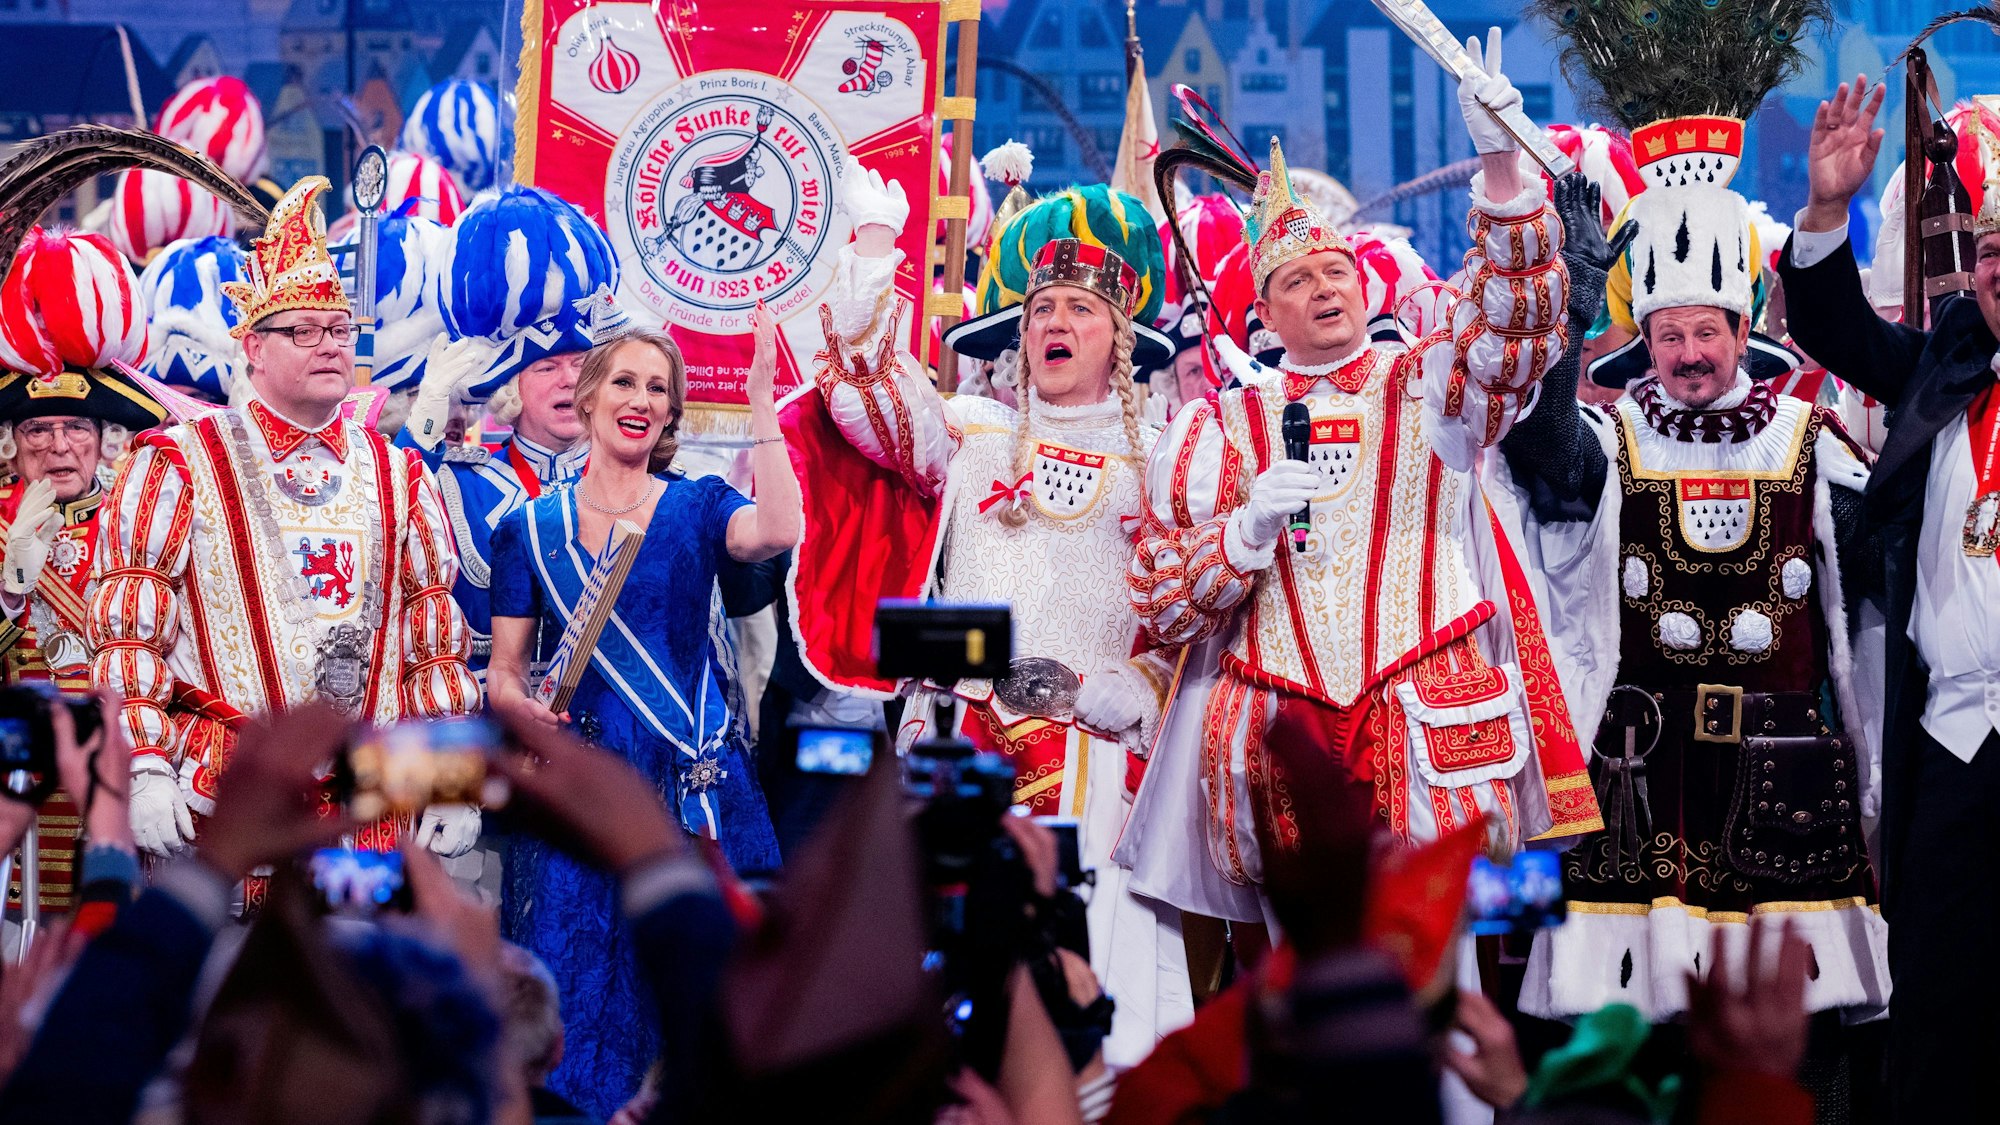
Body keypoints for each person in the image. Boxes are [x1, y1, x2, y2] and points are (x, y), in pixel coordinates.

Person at [1120, 34, 1600, 929]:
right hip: (1279, 727)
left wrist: (1501, 168)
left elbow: (1515, 334)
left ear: (1365, 285)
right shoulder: (1216, 427)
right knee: (1301, 973)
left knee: (1441, 970)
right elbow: (1161, 597)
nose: (1323, 289)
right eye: (1296, 280)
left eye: (1335, 271)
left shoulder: (1429, 381)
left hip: (1425, 710)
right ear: (1265, 314)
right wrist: (1241, 534)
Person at [1490, 35, 1890, 1052]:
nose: (1685, 353)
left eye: (1703, 331)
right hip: (1637, 794)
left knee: (1795, 1060)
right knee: (1639, 1051)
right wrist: (1567, 308)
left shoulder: (1815, 448)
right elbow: (1536, 453)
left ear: (1739, 327)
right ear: (1643, 344)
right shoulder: (1606, 446)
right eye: (1666, 335)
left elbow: (1887, 589)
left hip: (1788, 802)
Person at [787, 166, 1193, 1070]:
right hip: (958, 751)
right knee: (942, 1006)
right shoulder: (968, 433)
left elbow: (1192, 616)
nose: (1055, 323)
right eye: (1042, 306)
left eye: (1080, 310)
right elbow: (865, 396)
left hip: (1090, 760)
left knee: (1086, 1009)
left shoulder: (1165, 457)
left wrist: (1128, 690)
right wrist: (872, 252)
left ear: (1123, 337)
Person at [88, 177, 482, 874]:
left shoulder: (400, 475)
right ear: (254, 348)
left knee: (363, 985)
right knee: (229, 984)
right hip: (224, 806)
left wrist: (451, 782)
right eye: (303, 329)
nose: (329, 343)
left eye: (338, 329)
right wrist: (143, 768)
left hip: (373, 824)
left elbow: (432, 645)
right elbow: (128, 631)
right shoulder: (178, 462)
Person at [486, 318, 795, 1115]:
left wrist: (762, 403)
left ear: (670, 414)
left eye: (658, 388)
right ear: (588, 400)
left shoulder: (698, 505)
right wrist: (521, 707)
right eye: (624, 381)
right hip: (585, 794)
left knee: (712, 998)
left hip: (696, 784)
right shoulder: (528, 529)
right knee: (584, 1004)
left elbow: (779, 530)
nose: (641, 399)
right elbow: (505, 674)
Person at [1776, 73, 2000, 1120]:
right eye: (1991, 254)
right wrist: (1826, 208)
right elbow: (1829, 328)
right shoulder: (1945, 373)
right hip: (1953, 746)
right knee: (1941, 1014)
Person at [0, 228, 167, 916]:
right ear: (13, 443)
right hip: (18, 777)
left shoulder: (143, 519)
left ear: (107, 442)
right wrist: (10, 589)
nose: (59, 446)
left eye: (77, 428)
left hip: (119, 764)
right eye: (39, 430)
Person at [407, 185, 625, 683]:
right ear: (510, 389)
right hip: (486, 736)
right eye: (546, 367)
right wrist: (423, 421)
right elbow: (385, 520)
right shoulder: (458, 483)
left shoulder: (642, 481)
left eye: (583, 364)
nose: (570, 379)